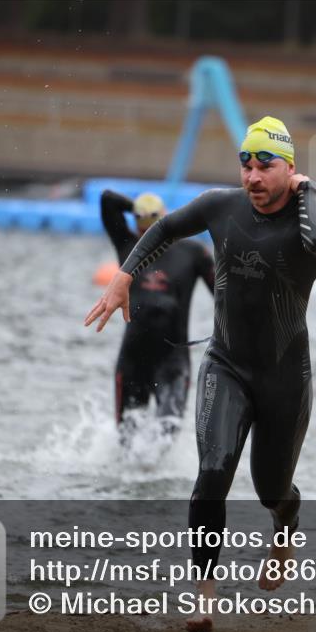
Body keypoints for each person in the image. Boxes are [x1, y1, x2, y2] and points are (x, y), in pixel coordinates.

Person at [85, 116, 316, 632]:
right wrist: (123, 279)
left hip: (285, 377)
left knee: (272, 488)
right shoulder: (220, 207)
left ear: (288, 168)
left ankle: (284, 526)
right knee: (213, 473)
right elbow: (164, 229)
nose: (251, 176)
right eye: (245, 163)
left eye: (264, 164)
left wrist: (305, 188)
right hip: (225, 364)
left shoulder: (310, 219)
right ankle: (204, 598)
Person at [99, 190, 214, 446]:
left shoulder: (193, 253)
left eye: (151, 228)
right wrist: (137, 207)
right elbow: (107, 200)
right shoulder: (129, 247)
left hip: (173, 365)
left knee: (163, 442)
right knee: (126, 445)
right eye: (142, 228)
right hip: (132, 362)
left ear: (164, 221)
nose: (145, 236)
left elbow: (223, 294)